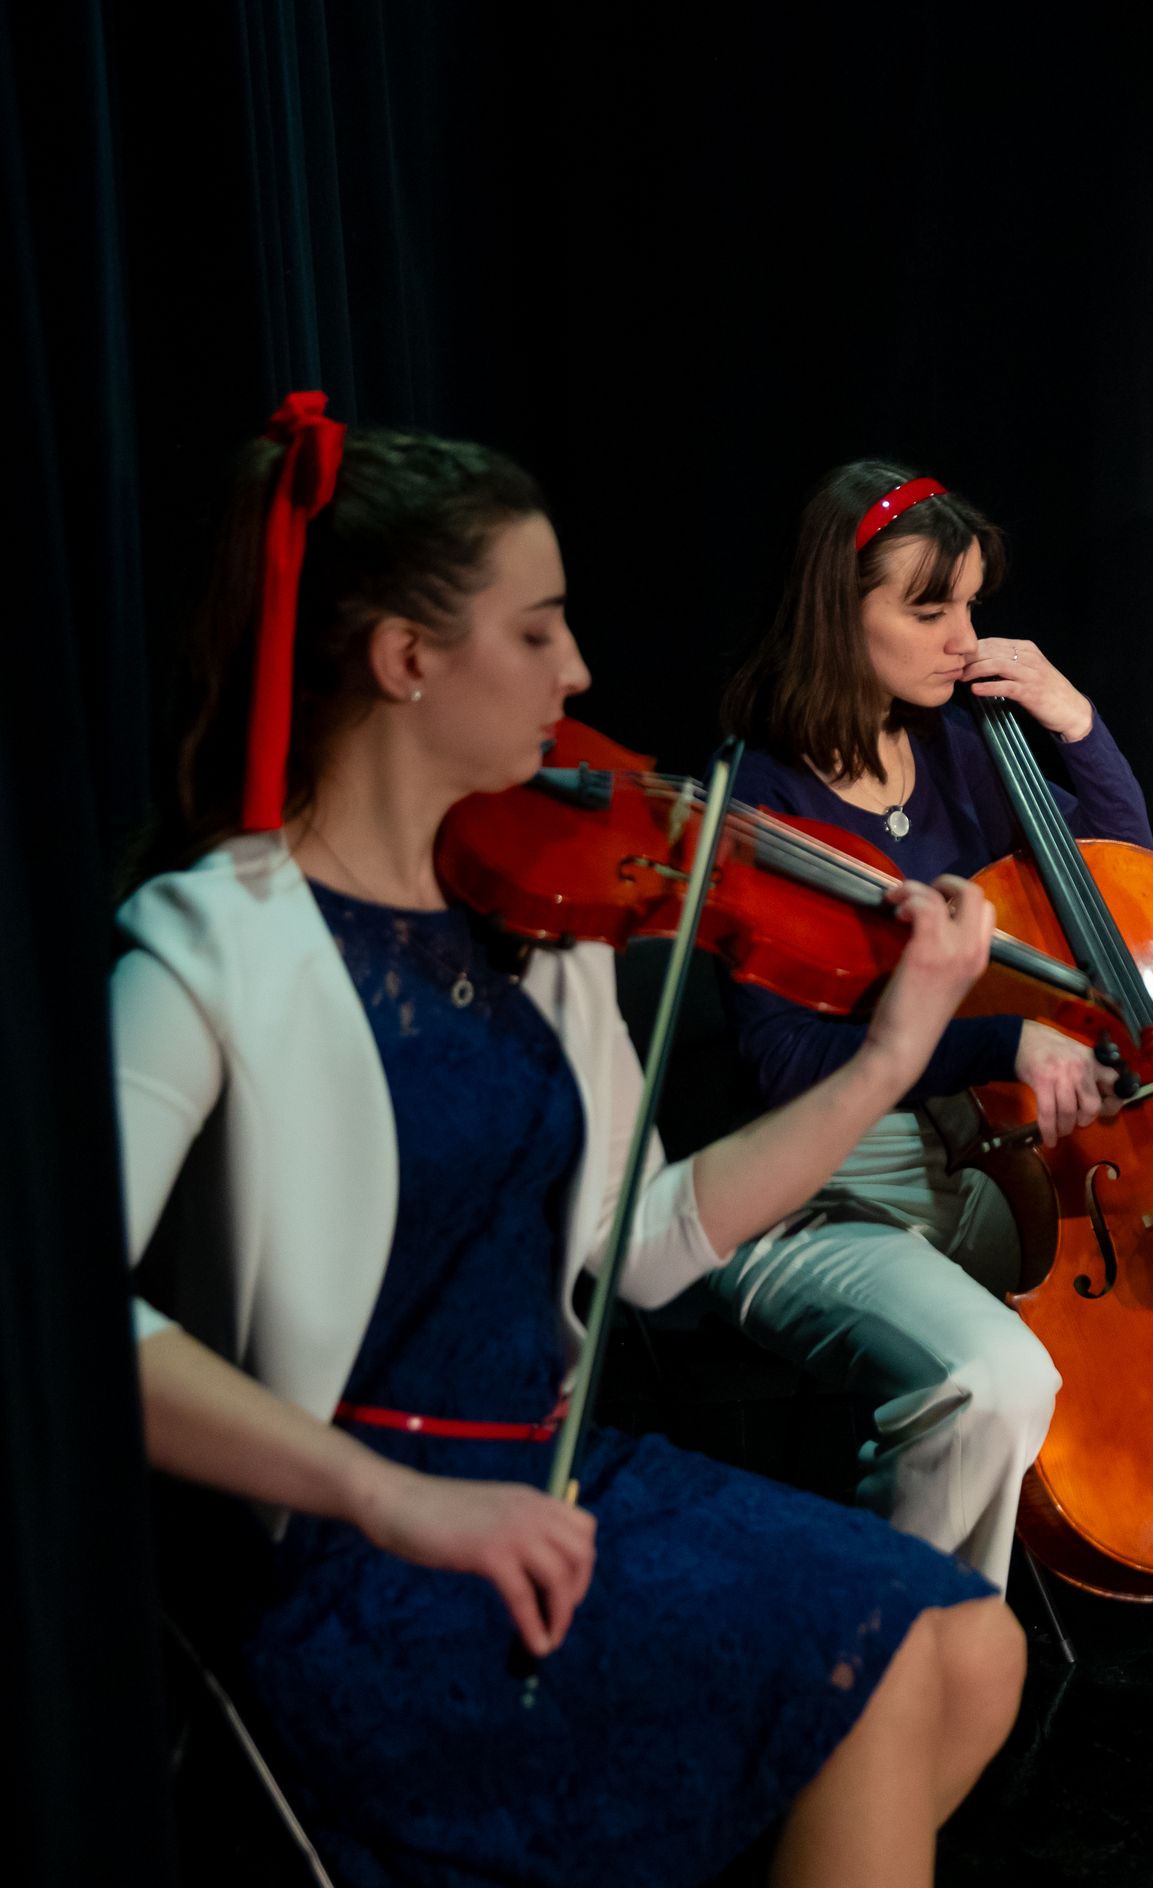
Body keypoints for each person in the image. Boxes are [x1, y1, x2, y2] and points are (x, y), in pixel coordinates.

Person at [118, 399, 1023, 1887]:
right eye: (538, 631)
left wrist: (891, 1059)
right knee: (874, 1684)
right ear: (407, 659)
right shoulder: (208, 940)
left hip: (555, 1477)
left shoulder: (545, 923)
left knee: (976, 1649)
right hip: (354, 1542)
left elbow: (648, 1243)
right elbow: (71, 1323)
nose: (580, 672)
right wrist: (388, 1496)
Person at [710, 461, 1153, 1696]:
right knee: (1014, 1364)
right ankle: (888, 1666)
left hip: (993, 1154)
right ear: (836, 609)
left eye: (972, 604)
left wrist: (1077, 723)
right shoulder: (761, 798)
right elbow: (784, 1064)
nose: (963, 638)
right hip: (840, 1172)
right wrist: (999, 1045)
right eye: (930, 608)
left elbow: (1115, 888)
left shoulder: (962, 745)